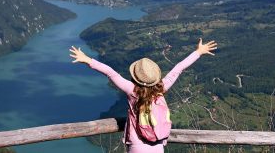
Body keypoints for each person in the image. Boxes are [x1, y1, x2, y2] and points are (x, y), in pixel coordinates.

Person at [69, 38, 217, 153]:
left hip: (137, 145)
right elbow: (178, 69)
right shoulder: (161, 88)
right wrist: (198, 52)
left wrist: (87, 60)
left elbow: (110, 73)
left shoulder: (132, 90)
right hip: (158, 145)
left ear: (135, 77)